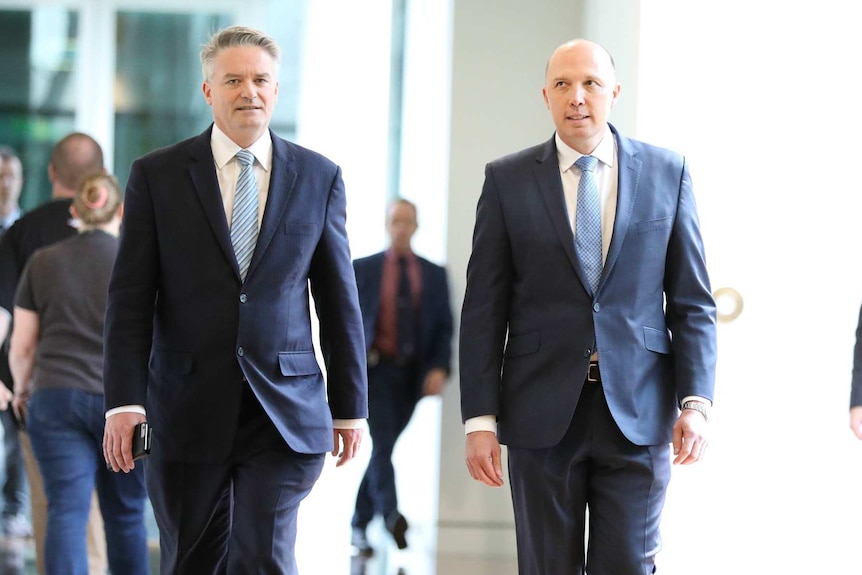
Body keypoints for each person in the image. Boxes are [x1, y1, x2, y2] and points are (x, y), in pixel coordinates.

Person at [102, 25, 368, 574]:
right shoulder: (157, 176)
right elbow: (129, 300)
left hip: (284, 412)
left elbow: (339, 303)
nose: (249, 91)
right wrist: (124, 401)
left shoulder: (319, 178)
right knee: (192, 561)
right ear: (208, 91)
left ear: (276, 89)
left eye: (261, 79)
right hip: (185, 406)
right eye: (234, 80)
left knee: (263, 557)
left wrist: (350, 407)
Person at [459, 39, 717, 574]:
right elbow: (484, 307)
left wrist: (696, 402)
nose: (577, 97)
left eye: (591, 84)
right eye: (563, 85)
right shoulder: (506, 180)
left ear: (614, 92)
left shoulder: (669, 173)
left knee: (628, 564)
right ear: (546, 97)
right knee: (546, 565)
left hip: (640, 411)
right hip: (539, 413)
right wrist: (479, 419)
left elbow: (692, 302)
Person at [8, 173, 148, 575]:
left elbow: (23, 345)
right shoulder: (136, 264)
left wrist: (21, 389)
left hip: (56, 399)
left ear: (74, 212)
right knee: (126, 514)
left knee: (66, 511)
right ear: (121, 211)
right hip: (126, 405)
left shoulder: (43, 261)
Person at [0, 133, 108, 574]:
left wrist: (12, 384)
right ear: (102, 175)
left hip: (46, 392)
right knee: (110, 510)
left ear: (50, 174)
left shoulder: (23, 233)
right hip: (116, 397)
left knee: (57, 505)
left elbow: (6, 321)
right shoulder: (126, 231)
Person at [350, 199, 453, 555]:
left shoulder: (433, 273)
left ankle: (359, 524)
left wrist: (440, 367)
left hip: (414, 376)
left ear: (417, 226)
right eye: (395, 221)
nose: (401, 227)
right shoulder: (363, 269)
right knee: (381, 442)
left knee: (384, 448)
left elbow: (443, 327)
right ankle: (391, 513)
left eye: (408, 221)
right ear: (386, 224)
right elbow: (347, 324)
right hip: (376, 372)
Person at [0, 146, 26, 539]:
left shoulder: (28, 232)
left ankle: (16, 509)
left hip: (19, 351)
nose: (5, 184)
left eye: (10, 176)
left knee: (20, 436)